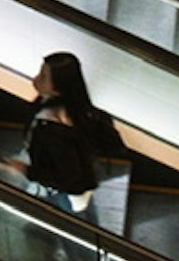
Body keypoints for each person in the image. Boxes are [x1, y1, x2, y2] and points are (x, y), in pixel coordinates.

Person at [21, 49, 129, 201]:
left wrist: (27, 171)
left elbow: (72, 181)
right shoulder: (78, 109)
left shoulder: (55, 129)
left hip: (61, 191)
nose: (35, 79)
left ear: (57, 88)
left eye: (43, 77)